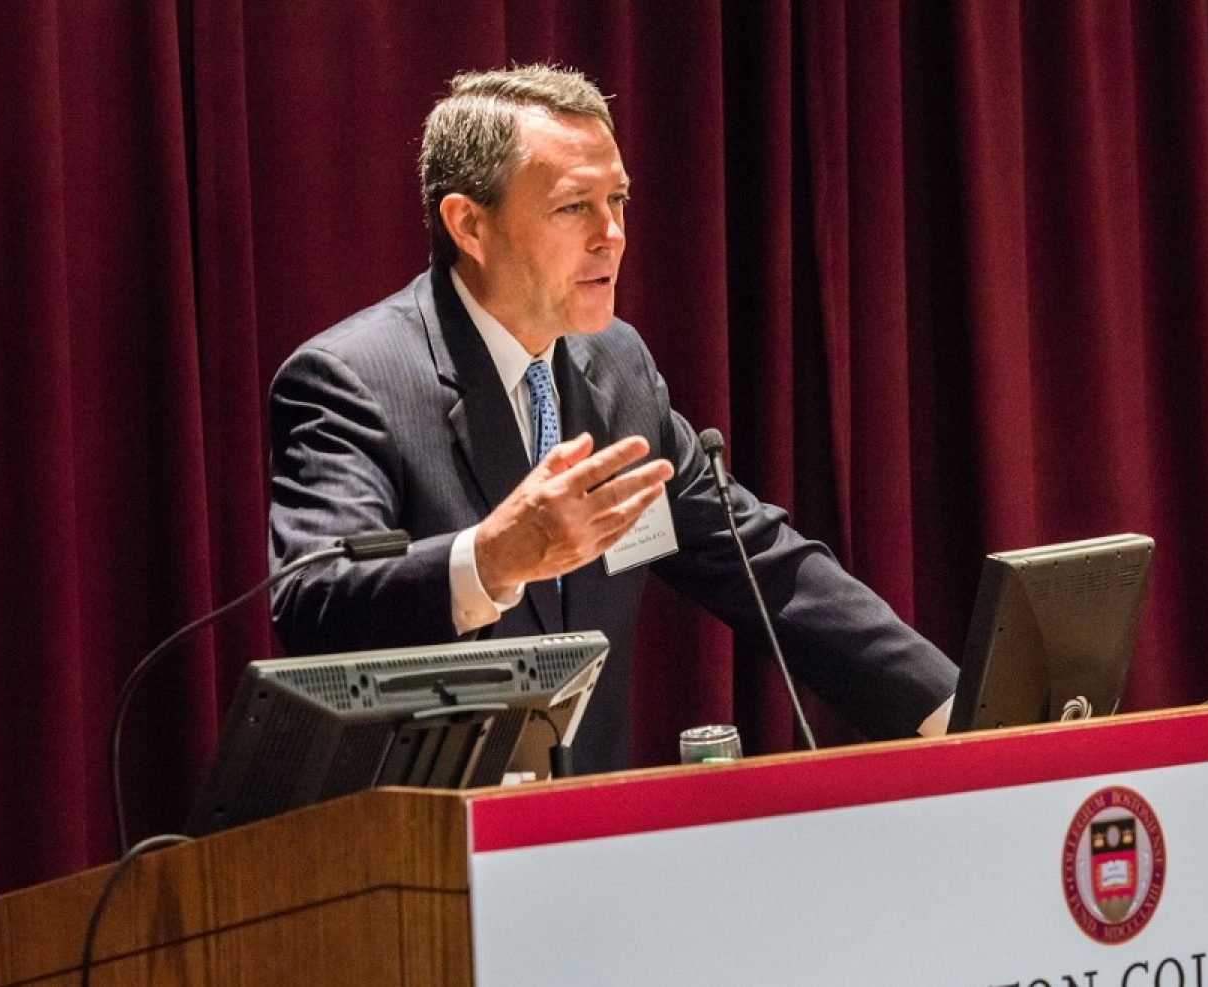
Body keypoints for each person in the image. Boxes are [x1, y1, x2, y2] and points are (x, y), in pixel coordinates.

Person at [267, 64, 957, 774]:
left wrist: (958, 711)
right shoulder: (352, 380)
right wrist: (491, 559)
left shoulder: (616, 368)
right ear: (469, 223)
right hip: (421, 845)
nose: (614, 234)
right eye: (574, 208)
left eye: (618, 200)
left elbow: (760, 567)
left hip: (585, 834)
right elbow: (313, 603)